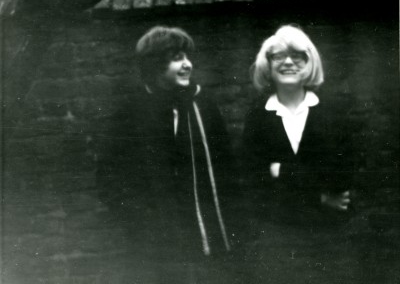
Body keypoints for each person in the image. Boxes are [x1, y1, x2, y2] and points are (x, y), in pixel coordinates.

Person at [96, 26, 237, 283]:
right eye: (176, 59)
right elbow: (110, 178)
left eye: (187, 57)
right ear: (155, 65)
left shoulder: (203, 105)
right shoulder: (132, 114)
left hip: (210, 234)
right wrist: (142, 221)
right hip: (157, 244)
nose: (187, 65)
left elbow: (227, 167)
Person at [242, 24, 354, 226]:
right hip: (276, 229)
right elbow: (254, 183)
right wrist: (320, 198)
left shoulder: (332, 111)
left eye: (297, 56)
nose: (288, 62)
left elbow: (340, 177)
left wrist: (280, 170)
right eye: (278, 56)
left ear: (309, 62)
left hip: (329, 229)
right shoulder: (258, 116)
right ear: (268, 64)